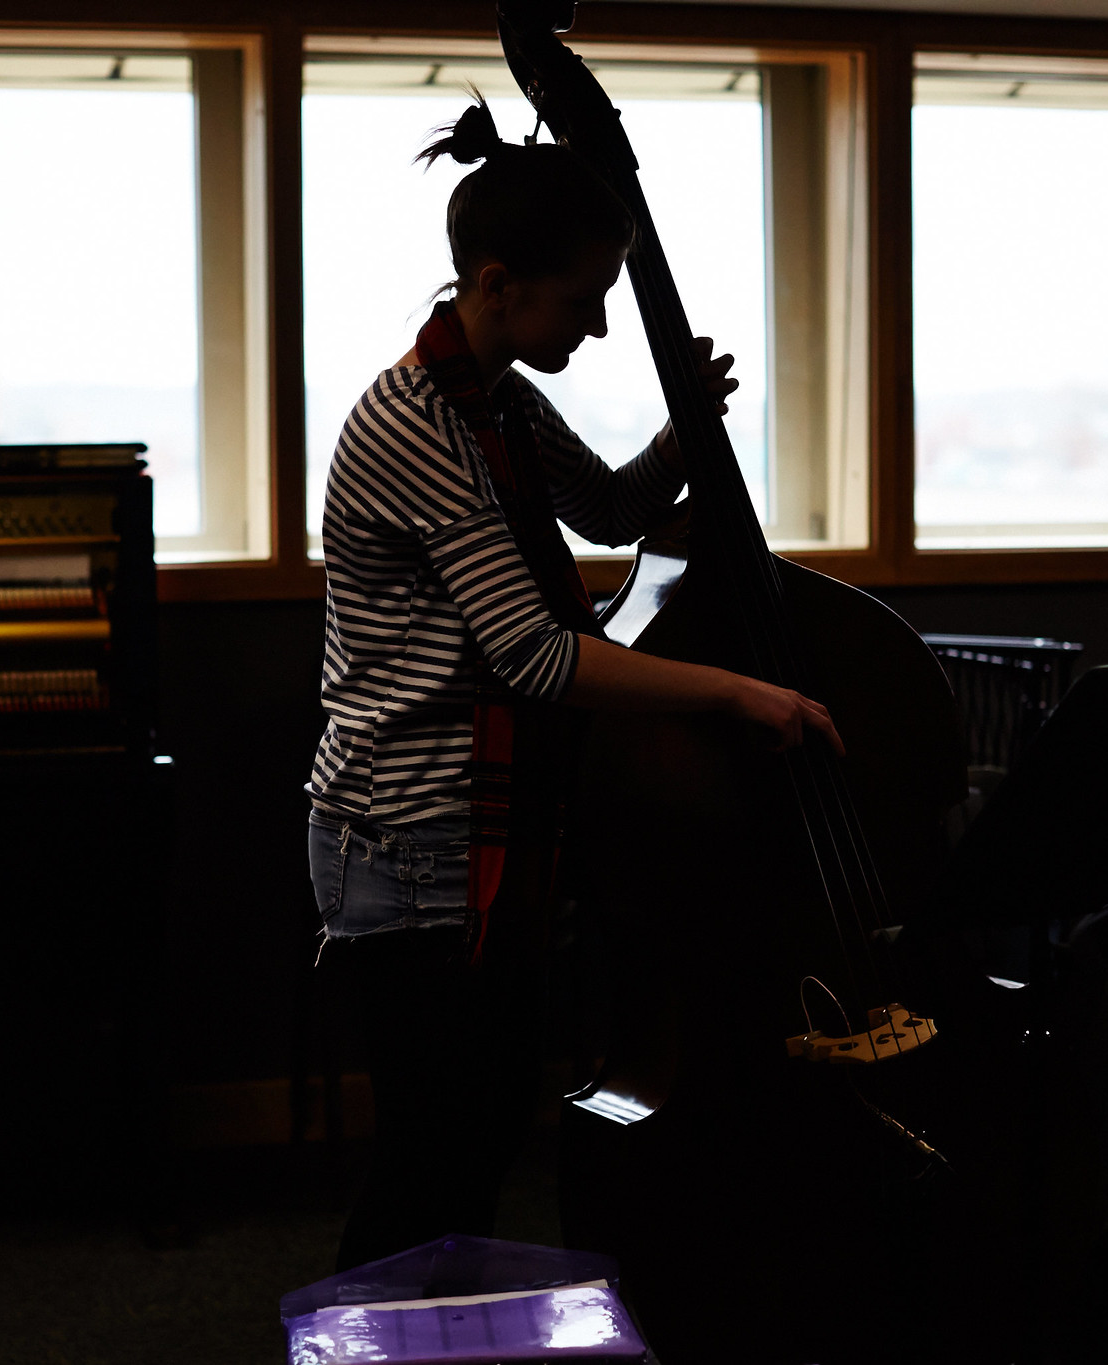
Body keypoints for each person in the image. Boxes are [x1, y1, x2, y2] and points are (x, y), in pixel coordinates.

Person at [307, 96, 843, 1273]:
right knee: (430, 1154)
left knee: (478, 1134)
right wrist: (736, 694)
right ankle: (375, 1341)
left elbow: (604, 510)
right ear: (496, 285)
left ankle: (441, 1336)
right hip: (410, 837)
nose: (600, 326)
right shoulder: (419, 425)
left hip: (472, 827)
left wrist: (680, 435)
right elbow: (535, 656)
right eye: (581, 299)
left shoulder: (497, 401)